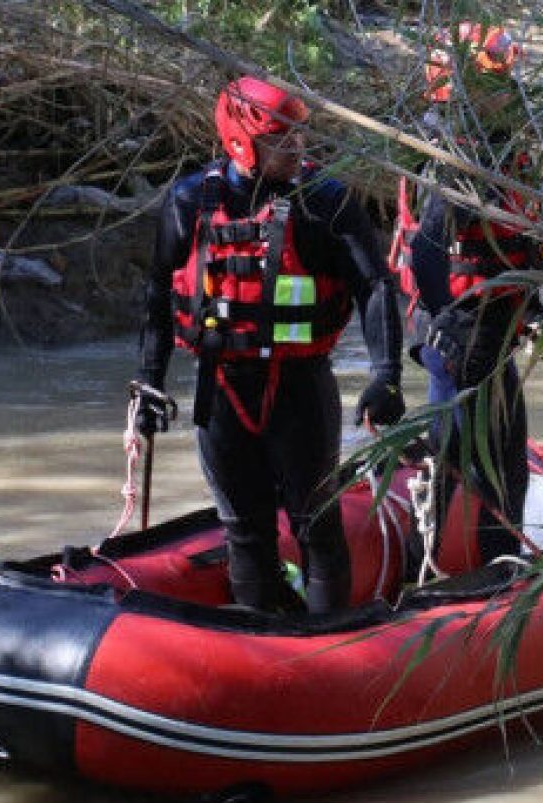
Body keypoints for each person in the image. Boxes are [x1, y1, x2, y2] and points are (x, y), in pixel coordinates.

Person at [136, 76, 405, 615]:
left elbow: (375, 286)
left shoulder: (326, 202)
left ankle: (331, 650)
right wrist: (148, 381)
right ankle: (265, 644)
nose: (297, 148)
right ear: (241, 141)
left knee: (316, 526)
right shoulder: (189, 201)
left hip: (299, 390)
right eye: (281, 139)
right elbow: (157, 290)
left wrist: (386, 373)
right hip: (221, 392)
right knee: (244, 532)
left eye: (299, 136)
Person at [393, 22, 543, 567]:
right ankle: (483, 574)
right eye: (498, 84)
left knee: (473, 459)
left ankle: (451, 567)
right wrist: (447, 328)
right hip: (465, 338)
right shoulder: (460, 156)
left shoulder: (493, 149)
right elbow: (428, 251)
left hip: (488, 334)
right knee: (488, 468)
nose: (511, 94)